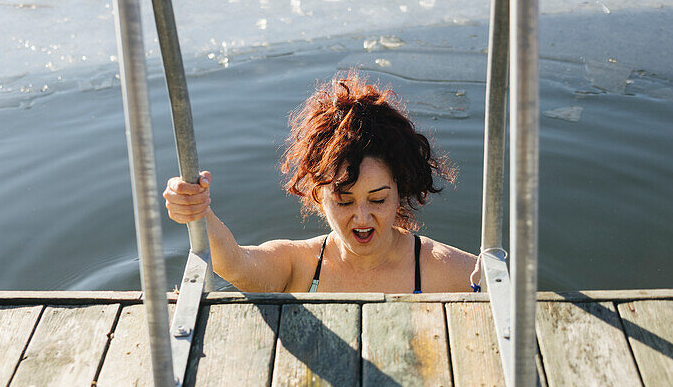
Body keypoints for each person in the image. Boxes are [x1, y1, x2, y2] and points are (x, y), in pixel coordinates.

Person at [163, 71, 478, 293]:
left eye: (378, 199)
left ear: (401, 191)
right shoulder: (297, 267)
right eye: (344, 200)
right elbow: (235, 264)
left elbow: (513, 292)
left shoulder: (443, 270)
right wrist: (197, 210)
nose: (362, 217)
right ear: (317, 196)